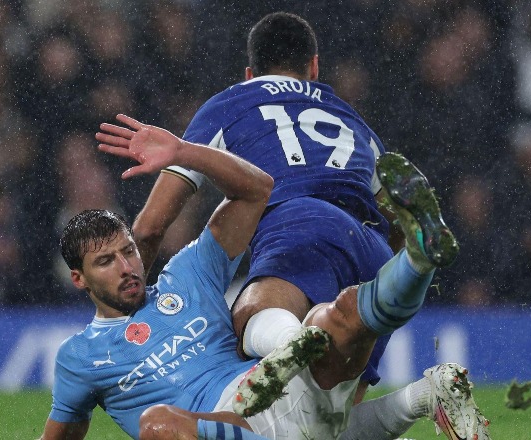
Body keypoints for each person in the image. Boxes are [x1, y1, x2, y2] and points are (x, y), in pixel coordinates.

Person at [39, 122, 489, 439]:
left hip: (274, 388)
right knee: (161, 424)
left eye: (128, 251)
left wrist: (184, 153)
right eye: (106, 262)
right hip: (225, 427)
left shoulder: (185, 276)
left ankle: (419, 259)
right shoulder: (81, 357)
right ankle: (425, 394)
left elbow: (256, 189)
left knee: (339, 313)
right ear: (79, 279)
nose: (126, 266)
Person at [129, 11, 459, 404]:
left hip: (297, 225)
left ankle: (291, 339)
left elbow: (149, 228)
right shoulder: (351, 118)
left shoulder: (230, 103)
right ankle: (423, 376)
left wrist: (128, 315)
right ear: (314, 67)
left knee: (248, 325)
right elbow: (392, 214)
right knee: (334, 418)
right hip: (371, 245)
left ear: (250, 73)